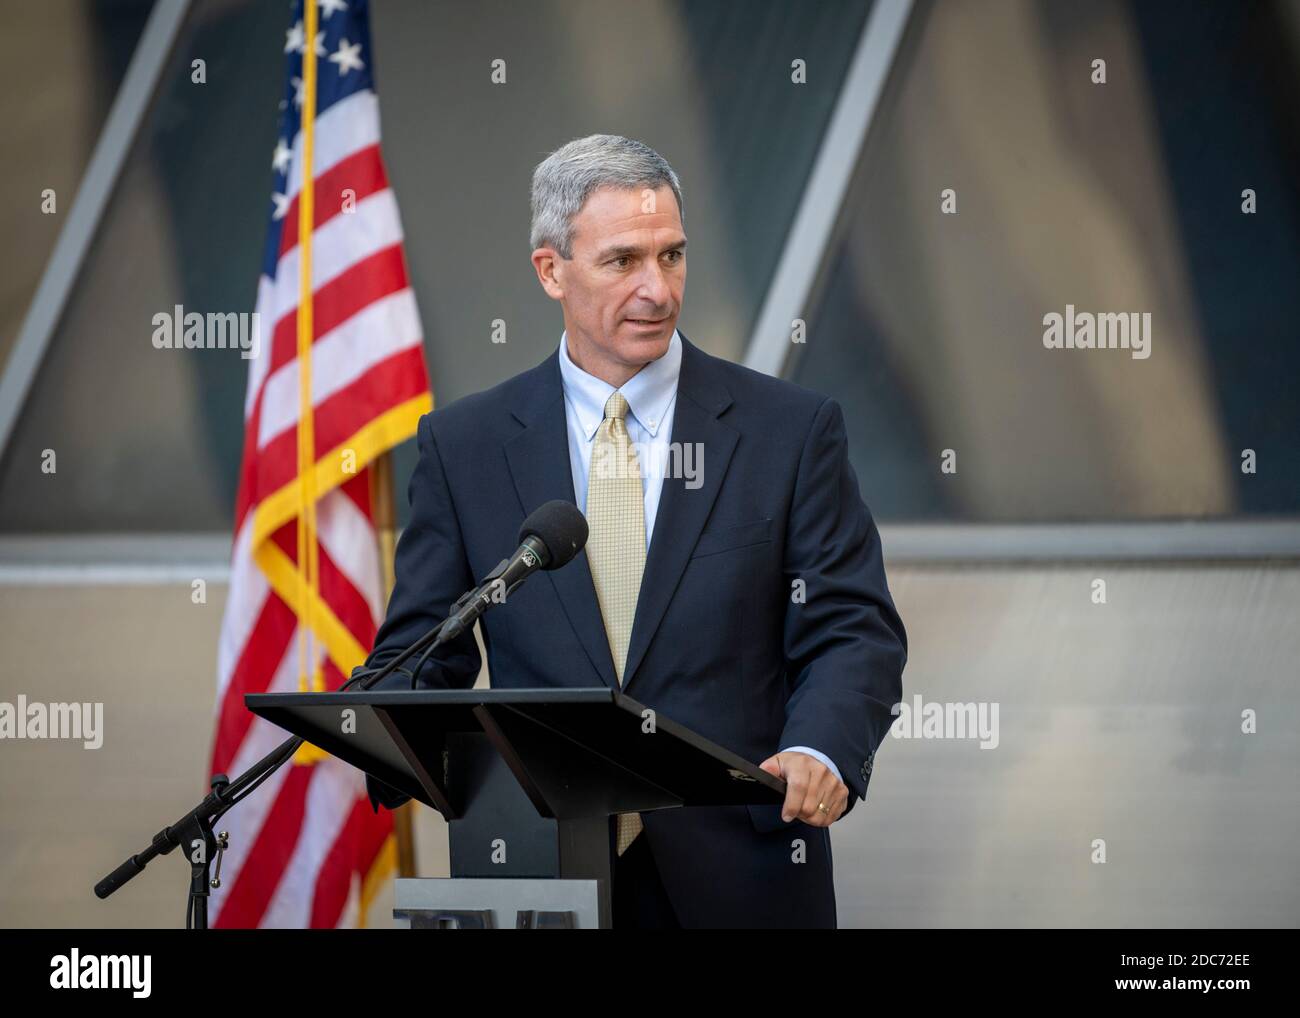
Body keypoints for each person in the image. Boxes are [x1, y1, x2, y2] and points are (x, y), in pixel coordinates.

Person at [355, 134, 907, 928]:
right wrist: (370, 724)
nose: (658, 289)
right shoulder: (465, 446)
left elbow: (855, 630)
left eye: (673, 256)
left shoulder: (789, 431)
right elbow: (426, 652)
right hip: (541, 875)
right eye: (623, 262)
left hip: (743, 874)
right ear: (551, 270)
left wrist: (822, 749)